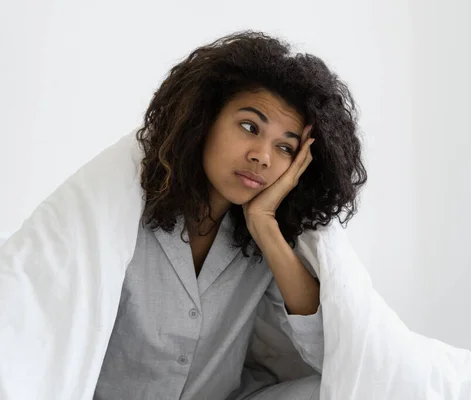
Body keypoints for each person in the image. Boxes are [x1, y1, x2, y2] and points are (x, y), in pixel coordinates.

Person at [93, 31, 367, 400]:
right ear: (204, 119)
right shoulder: (124, 212)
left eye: (285, 147)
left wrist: (264, 225)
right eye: (250, 127)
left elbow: (333, 355)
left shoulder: (264, 246)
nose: (262, 156)